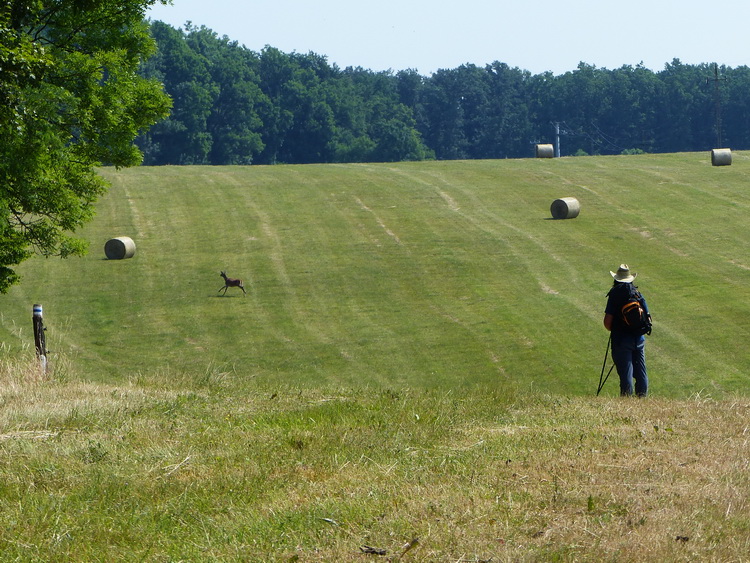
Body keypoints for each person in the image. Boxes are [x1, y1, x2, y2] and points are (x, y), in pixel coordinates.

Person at [603, 264, 651, 397]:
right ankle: (642, 400)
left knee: (626, 375)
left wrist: (617, 329)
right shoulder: (637, 294)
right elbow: (648, 317)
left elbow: (607, 323)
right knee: (641, 373)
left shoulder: (614, 295)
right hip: (639, 339)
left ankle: (626, 401)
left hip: (621, 340)